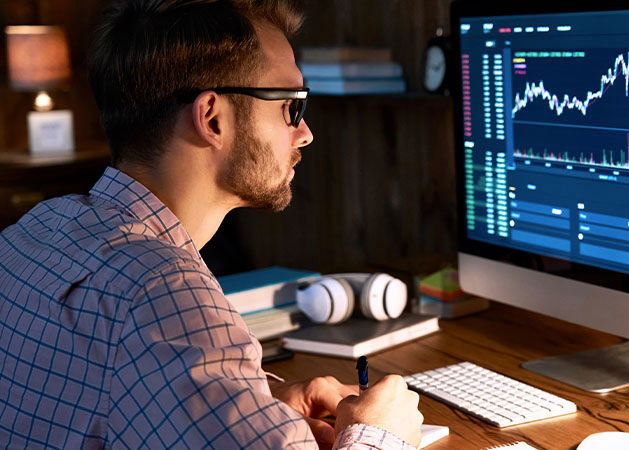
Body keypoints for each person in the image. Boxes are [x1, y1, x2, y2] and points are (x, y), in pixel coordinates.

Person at [0, 0, 424, 448]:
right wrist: (379, 434)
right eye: (290, 106)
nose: (305, 133)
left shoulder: (33, 231)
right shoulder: (164, 291)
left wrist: (261, 401)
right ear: (212, 118)